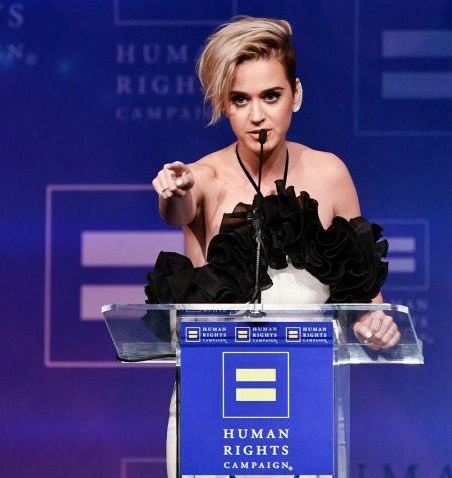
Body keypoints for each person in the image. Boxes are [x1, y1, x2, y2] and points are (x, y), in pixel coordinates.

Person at [147, 16, 400, 478]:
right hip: (213, 406)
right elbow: (177, 210)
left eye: (271, 96)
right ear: (225, 105)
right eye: (240, 100)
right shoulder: (204, 177)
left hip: (307, 407)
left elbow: (363, 295)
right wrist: (172, 189)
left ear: (295, 95)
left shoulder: (329, 174)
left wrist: (375, 324)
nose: (256, 115)